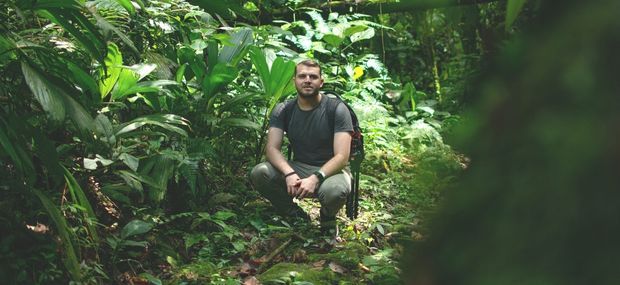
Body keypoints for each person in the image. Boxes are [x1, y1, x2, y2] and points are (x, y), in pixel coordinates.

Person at [250, 60, 353, 234]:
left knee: (335, 191)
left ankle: (327, 218)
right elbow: (272, 149)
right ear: (294, 81)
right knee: (260, 173)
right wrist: (289, 173)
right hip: (298, 167)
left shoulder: (337, 109)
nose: (307, 80)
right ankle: (293, 214)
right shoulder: (283, 110)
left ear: (321, 82)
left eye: (313, 77)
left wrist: (316, 177)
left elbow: (342, 157)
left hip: (332, 171)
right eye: (302, 76)